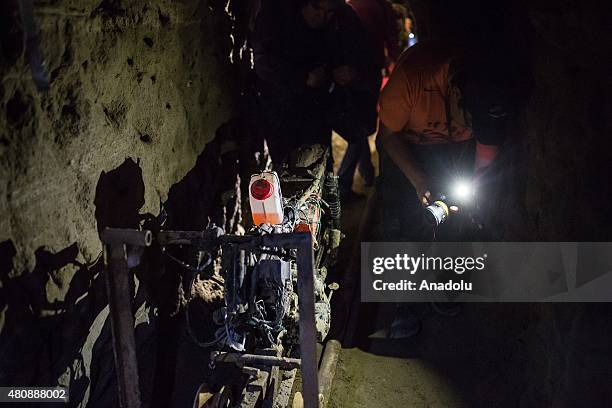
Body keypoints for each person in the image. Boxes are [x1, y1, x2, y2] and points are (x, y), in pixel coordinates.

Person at [376, 40, 506, 242]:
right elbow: (388, 136)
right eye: (471, 123)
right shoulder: (413, 78)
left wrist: (473, 192)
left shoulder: (490, 101)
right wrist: (419, 180)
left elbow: (484, 158)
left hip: (454, 148)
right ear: (455, 95)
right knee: (402, 214)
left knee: (455, 218)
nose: (473, 129)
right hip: (404, 142)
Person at [336, 0, 400, 199]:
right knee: (362, 127)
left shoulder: (350, 5)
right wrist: (395, 64)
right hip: (368, 70)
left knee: (359, 123)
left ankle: (367, 173)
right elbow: (390, 38)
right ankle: (343, 184)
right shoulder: (380, 6)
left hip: (347, 72)